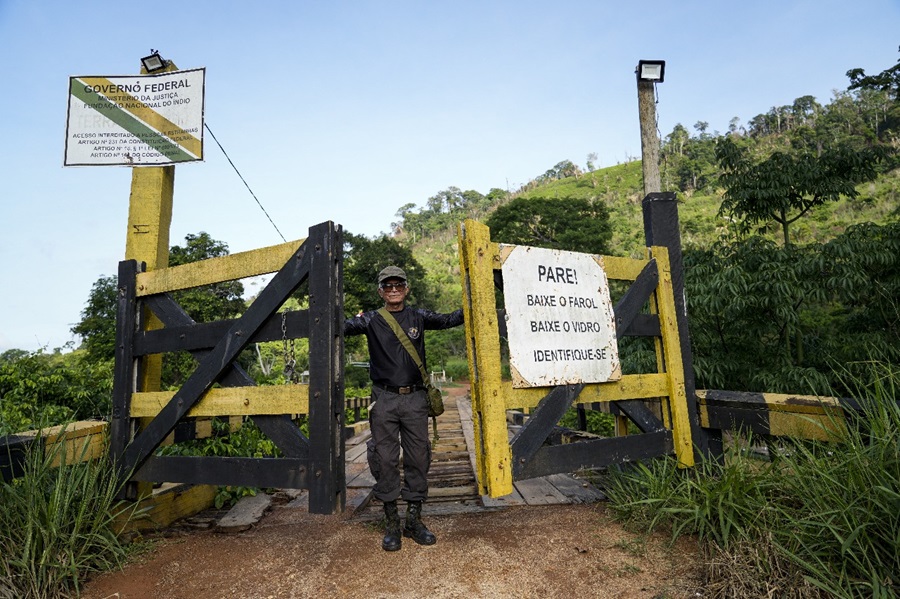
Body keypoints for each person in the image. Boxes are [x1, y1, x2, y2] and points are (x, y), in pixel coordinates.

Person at [344, 265, 463, 551]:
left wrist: (478, 296)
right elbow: (336, 326)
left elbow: (450, 319)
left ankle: (414, 520)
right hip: (383, 398)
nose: (393, 289)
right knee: (384, 458)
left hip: (415, 399)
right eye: (388, 286)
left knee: (418, 456)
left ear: (406, 289)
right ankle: (391, 523)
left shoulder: (418, 317)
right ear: (380, 291)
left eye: (398, 285)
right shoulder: (370, 319)